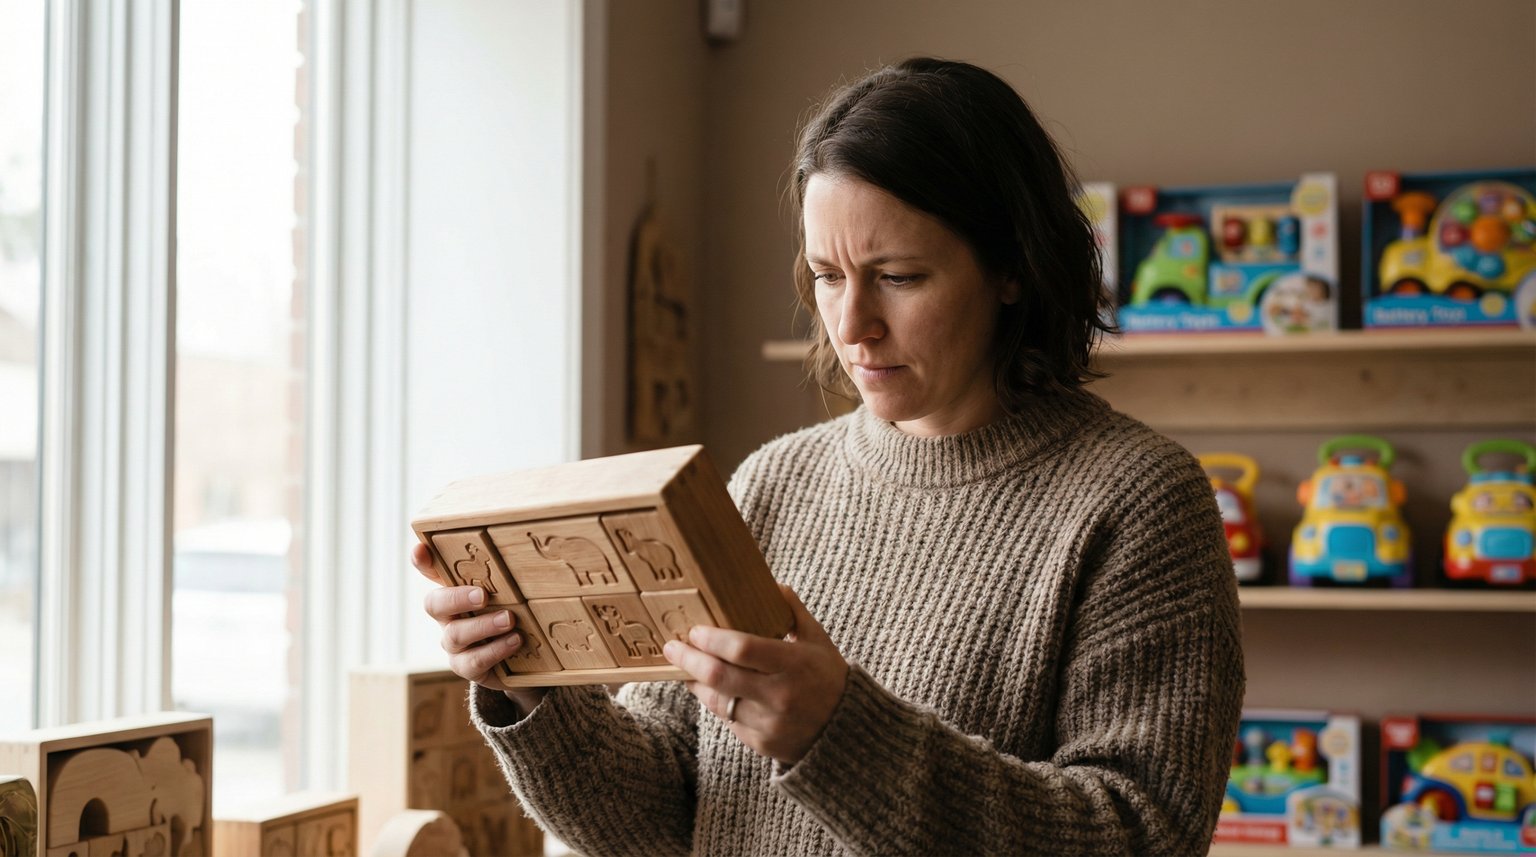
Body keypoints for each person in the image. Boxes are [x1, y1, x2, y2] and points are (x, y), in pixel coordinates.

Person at [414, 57, 1243, 856]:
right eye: (827, 276)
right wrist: (530, 688)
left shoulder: (1138, 501)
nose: (852, 327)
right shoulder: (771, 482)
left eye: (899, 276)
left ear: (1012, 269)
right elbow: (663, 820)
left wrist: (840, 735)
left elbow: (1143, 833)